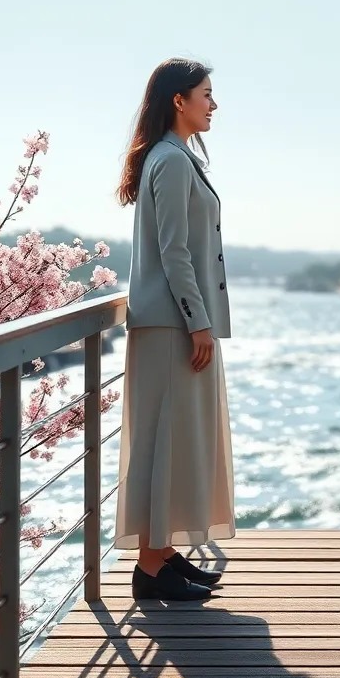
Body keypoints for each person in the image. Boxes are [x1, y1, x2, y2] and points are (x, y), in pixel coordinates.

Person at [113, 58, 235, 602]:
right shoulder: (172, 161)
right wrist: (199, 323)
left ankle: (160, 554)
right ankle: (149, 567)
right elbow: (175, 252)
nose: (214, 104)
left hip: (171, 323)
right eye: (206, 94)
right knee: (164, 439)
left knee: (173, 439)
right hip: (172, 327)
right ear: (178, 100)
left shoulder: (174, 158)